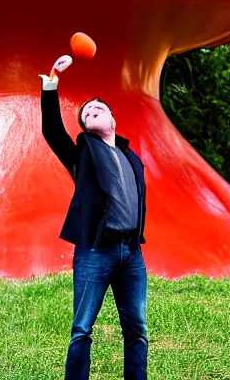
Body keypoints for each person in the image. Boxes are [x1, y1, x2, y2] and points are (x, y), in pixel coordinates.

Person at [39, 57, 149, 380]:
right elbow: (52, 130)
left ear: (113, 119)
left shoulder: (132, 158)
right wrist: (52, 83)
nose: (91, 111)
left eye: (98, 107)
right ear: (85, 128)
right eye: (86, 113)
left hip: (132, 252)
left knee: (138, 329)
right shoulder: (82, 153)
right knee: (82, 328)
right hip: (95, 250)